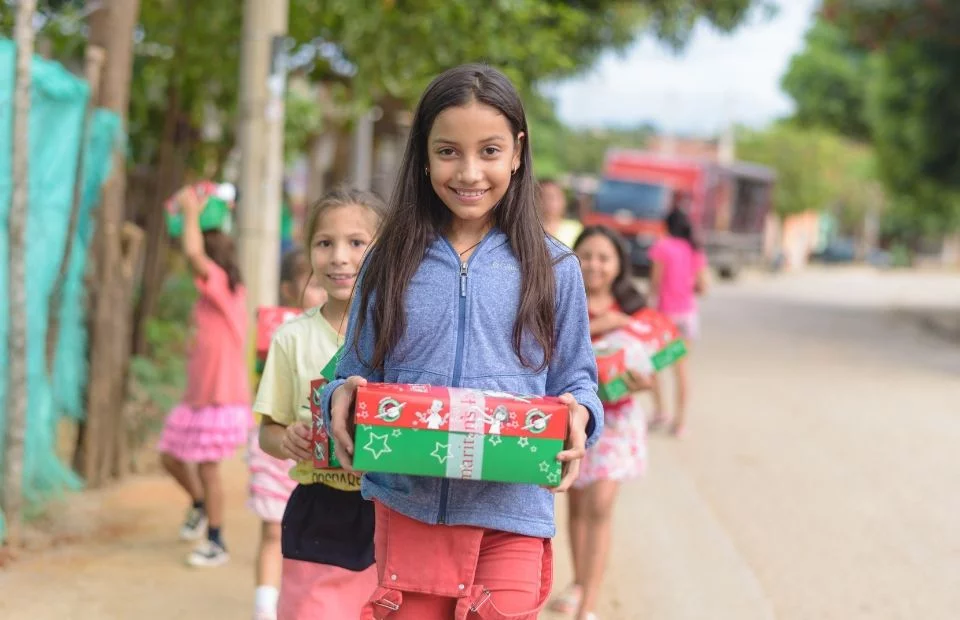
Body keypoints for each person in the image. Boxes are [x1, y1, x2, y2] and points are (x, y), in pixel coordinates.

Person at [323, 64, 604, 619]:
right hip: (410, 510)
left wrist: (581, 419)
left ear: (518, 153)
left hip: (512, 513)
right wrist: (339, 395)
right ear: (424, 154)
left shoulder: (555, 268)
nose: (469, 171)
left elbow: (578, 382)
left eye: (490, 151)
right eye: (449, 151)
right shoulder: (387, 261)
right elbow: (350, 368)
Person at [256, 187, 387, 620]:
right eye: (324, 243)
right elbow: (267, 431)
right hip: (317, 512)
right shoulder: (291, 338)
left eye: (356, 242)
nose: (339, 257)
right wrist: (286, 439)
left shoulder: (402, 337)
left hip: (391, 512)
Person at [549, 226, 651, 620]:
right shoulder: (560, 299)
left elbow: (650, 365)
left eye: (604, 257)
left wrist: (643, 381)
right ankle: (578, 583)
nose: (594, 264)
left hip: (618, 421)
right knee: (575, 505)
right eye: (587, 255)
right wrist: (598, 327)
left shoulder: (633, 307)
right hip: (572, 418)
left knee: (600, 506)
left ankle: (588, 604)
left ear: (618, 265)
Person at [157, 185, 251, 567]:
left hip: (220, 396)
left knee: (209, 468)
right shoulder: (209, 298)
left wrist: (190, 212)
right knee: (170, 457)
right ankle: (198, 505)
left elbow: (194, 254)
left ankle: (216, 540)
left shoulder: (228, 289)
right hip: (197, 395)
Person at [247, 248, 327, 620]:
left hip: (329, 472)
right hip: (280, 448)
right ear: (289, 290)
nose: (325, 291)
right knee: (271, 530)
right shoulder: (286, 335)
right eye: (313, 283)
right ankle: (265, 609)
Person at [647, 195, 708, 437]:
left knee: (651, 365)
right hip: (688, 317)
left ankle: (661, 410)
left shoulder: (661, 247)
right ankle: (680, 423)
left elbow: (654, 283)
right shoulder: (694, 250)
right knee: (681, 371)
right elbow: (704, 286)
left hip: (665, 317)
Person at [538, 178, 582, 248]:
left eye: (553, 197)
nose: (548, 202)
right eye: (542, 197)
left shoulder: (575, 228)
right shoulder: (528, 229)